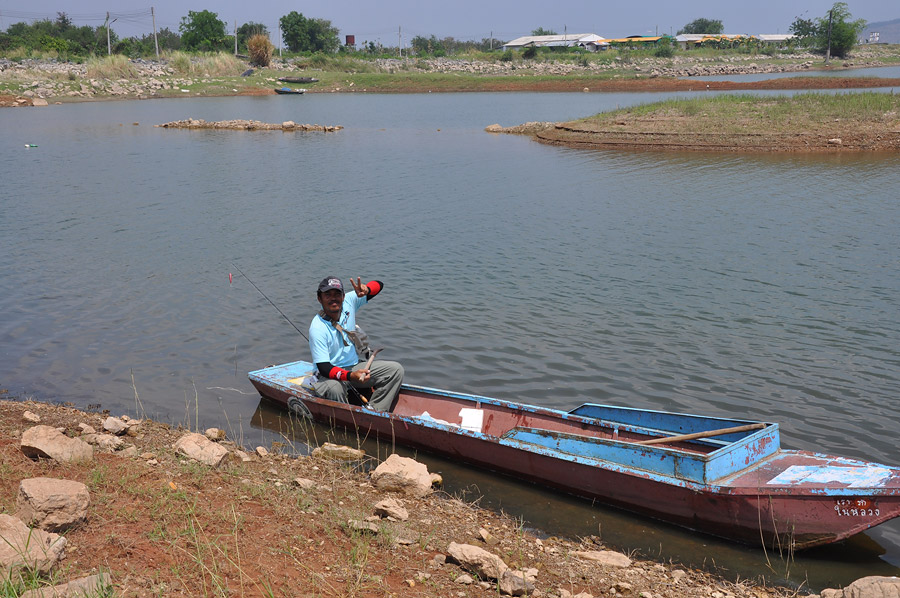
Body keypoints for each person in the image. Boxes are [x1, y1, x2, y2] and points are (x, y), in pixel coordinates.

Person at [308, 276, 404, 411]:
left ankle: (375, 413)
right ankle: (344, 420)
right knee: (335, 389)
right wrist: (350, 376)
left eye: (337, 294)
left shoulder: (349, 301)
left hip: (354, 366)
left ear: (343, 296)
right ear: (319, 298)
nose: (333, 298)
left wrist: (367, 289)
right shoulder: (317, 327)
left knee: (395, 370)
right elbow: (324, 367)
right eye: (327, 295)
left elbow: (379, 285)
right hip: (328, 376)